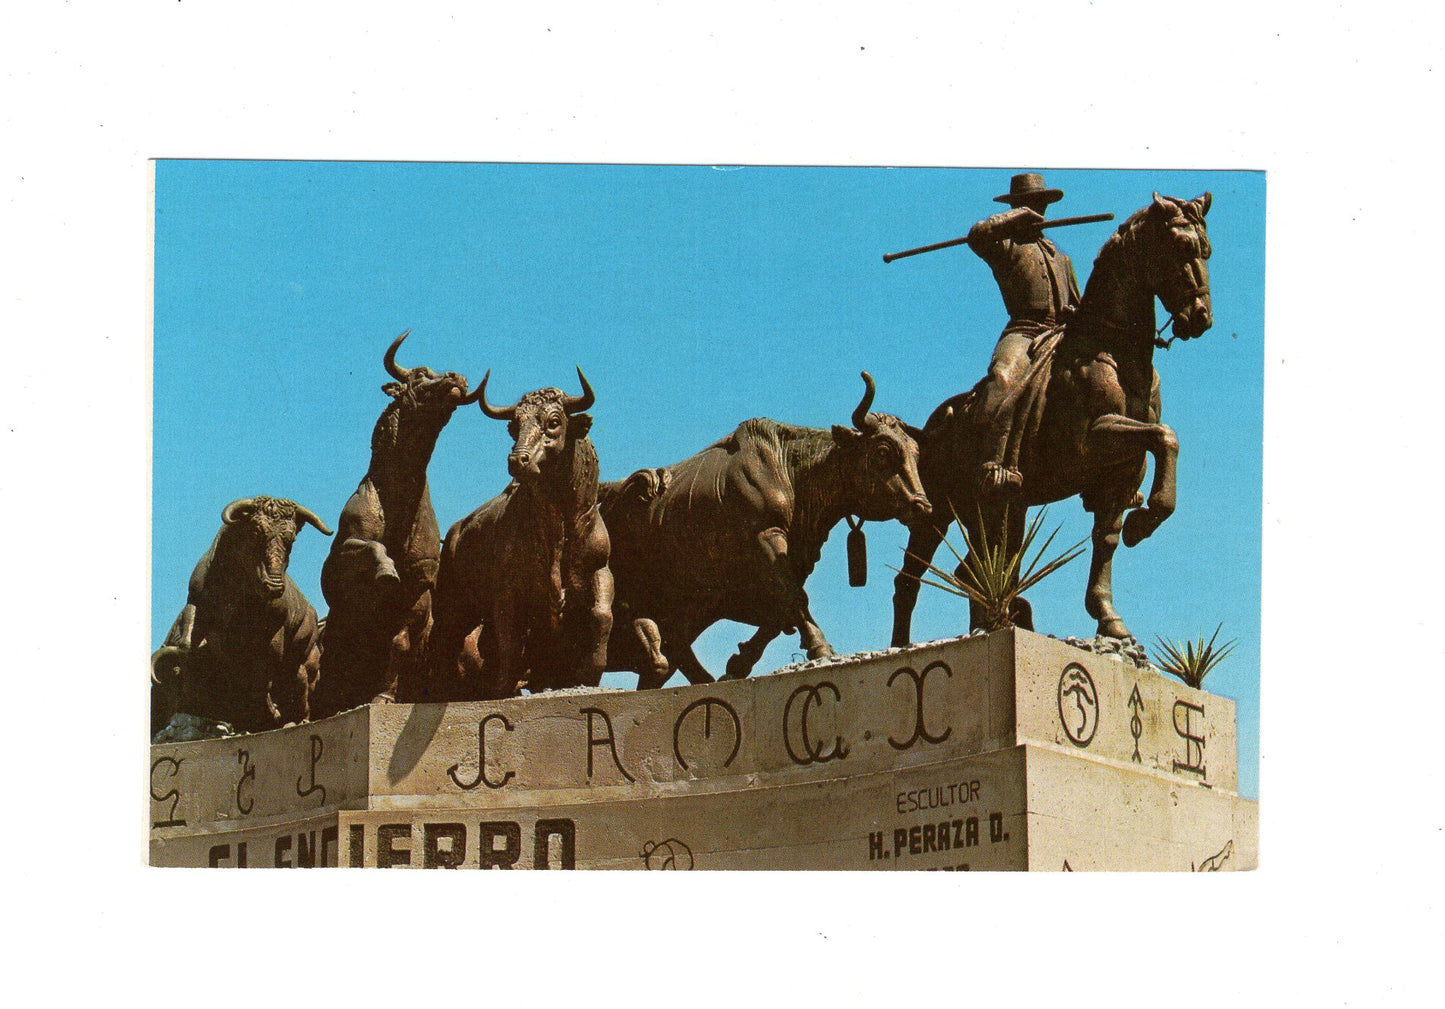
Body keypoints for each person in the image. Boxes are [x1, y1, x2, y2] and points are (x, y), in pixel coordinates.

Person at [965, 172, 1082, 493]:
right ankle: (993, 461)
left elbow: (1079, 302)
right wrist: (1015, 218)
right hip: (1025, 331)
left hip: (1061, 335)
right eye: (1029, 204)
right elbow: (977, 235)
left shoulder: (1062, 257)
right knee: (1003, 378)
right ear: (1017, 207)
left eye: (1040, 205)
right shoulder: (1005, 246)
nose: (1037, 211)